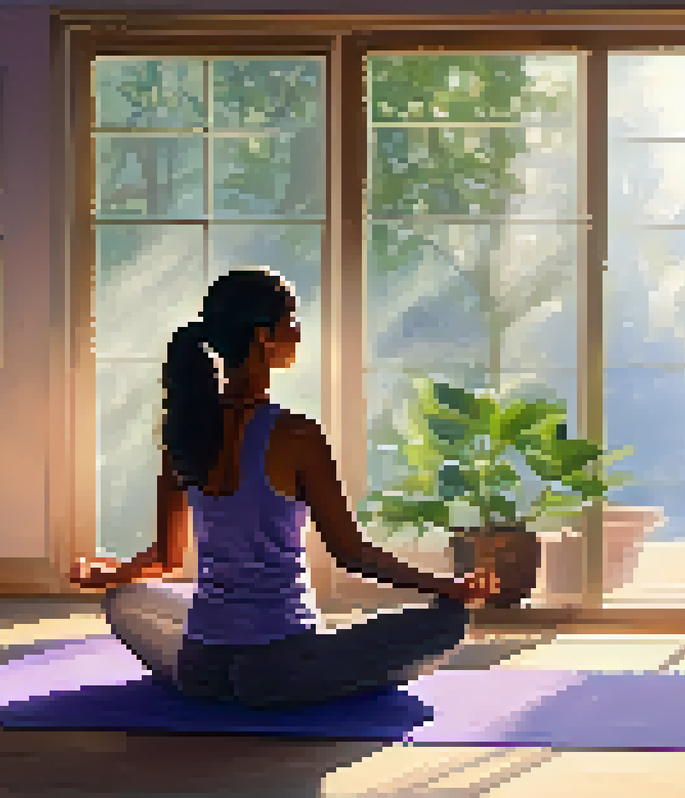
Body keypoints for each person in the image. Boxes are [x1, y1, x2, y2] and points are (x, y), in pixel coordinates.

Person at [67, 268, 501, 709]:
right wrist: (449, 586)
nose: (297, 330)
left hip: (202, 668)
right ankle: (302, 674)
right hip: (281, 671)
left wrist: (112, 574)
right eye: (291, 319)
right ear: (263, 338)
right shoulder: (296, 435)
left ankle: (228, 671)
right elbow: (352, 553)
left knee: (124, 600)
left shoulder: (184, 432)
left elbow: (166, 558)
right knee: (448, 622)